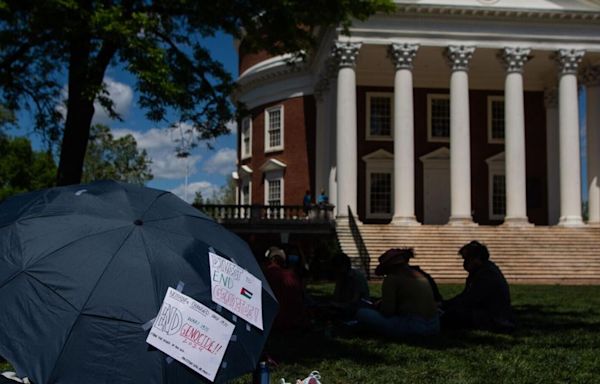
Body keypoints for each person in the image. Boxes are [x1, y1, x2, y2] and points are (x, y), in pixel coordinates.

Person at [355, 248, 440, 337]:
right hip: (434, 325)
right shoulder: (420, 275)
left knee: (362, 313)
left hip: (413, 326)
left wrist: (378, 306)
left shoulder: (392, 279)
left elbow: (387, 312)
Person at [440, 240, 515, 332]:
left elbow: (471, 299)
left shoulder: (487, 274)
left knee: (450, 316)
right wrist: (444, 304)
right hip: (487, 314)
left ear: (476, 258)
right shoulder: (479, 272)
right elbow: (466, 296)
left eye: (466, 259)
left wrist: (446, 307)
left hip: (495, 318)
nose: (464, 263)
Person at [262, 246, 306, 331]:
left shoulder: (265, 275)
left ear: (271, 260)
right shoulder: (292, 276)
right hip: (293, 322)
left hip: (273, 323)